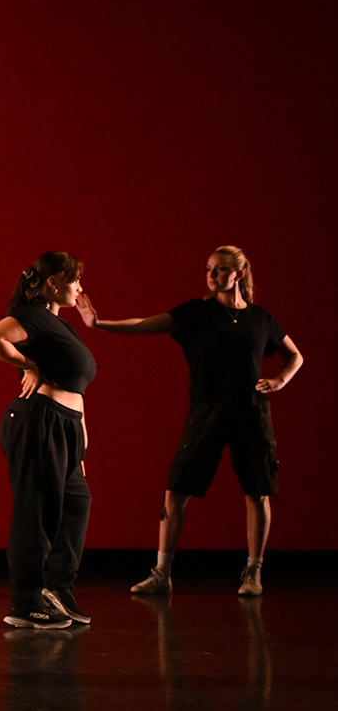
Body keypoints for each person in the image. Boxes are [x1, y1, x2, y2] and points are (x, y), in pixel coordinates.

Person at [77, 246, 303, 596]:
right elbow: (145, 324)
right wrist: (99, 324)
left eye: (220, 270)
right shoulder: (197, 313)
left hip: (252, 414)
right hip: (207, 412)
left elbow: (295, 355)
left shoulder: (261, 318)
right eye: (209, 269)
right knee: (176, 491)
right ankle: (162, 573)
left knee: (258, 493)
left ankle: (253, 573)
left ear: (238, 275)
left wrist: (279, 381)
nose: (212, 276)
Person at [0, 252, 94, 629]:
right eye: (74, 280)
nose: (79, 287)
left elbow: (75, 385)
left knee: (76, 502)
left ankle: (57, 588)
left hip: (65, 427)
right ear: (52, 283)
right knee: (36, 513)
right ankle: (25, 602)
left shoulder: (60, 325)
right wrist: (29, 365)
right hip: (39, 423)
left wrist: (80, 440)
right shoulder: (34, 316)